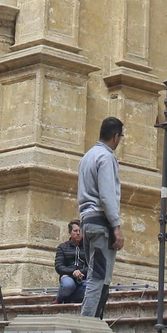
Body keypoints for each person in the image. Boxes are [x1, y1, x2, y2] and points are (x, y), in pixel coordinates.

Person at [77, 116, 124, 319]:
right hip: (100, 222)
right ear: (116, 136)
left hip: (87, 221)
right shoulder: (106, 157)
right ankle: (88, 324)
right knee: (98, 277)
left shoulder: (87, 156)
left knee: (98, 275)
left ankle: (95, 320)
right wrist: (116, 226)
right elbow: (107, 196)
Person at [54, 220, 87, 305]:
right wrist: (72, 272)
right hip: (68, 276)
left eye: (80, 231)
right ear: (70, 232)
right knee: (67, 285)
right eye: (75, 231)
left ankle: (69, 299)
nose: (78, 233)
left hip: (84, 277)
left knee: (90, 288)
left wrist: (81, 272)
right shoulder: (62, 247)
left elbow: (92, 265)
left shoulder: (88, 247)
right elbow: (59, 266)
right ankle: (60, 299)